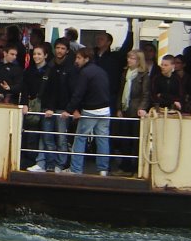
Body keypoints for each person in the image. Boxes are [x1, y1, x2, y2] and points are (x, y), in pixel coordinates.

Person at [62, 48, 111, 176]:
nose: (76, 61)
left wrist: (69, 110)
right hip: (105, 109)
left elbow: (78, 93)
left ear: (86, 59)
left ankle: (76, 169)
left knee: (80, 138)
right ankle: (103, 169)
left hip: (91, 110)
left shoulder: (84, 73)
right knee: (103, 139)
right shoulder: (102, 71)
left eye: (78, 58)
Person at [36, 37, 77, 172]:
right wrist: (48, 106)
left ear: (67, 51)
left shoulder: (71, 68)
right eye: (58, 48)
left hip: (63, 109)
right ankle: (50, 164)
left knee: (61, 138)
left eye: (62, 48)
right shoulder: (50, 65)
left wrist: (70, 109)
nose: (59, 51)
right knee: (47, 137)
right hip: (48, 107)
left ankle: (60, 164)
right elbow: (47, 88)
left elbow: (73, 90)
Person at [114, 49, 149, 174]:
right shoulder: (125, 73)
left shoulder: (143, 74)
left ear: (139, 61)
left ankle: (135, 166)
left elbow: (145, 93)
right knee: (124, 138)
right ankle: (124, 165)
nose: (129, 60)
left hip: (135, 109)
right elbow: (120, 91)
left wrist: (142, 108)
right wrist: (119, 108)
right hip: (125, 108)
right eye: (128, 58)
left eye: (132, 58)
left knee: (135, 139)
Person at [20, 44, 50, 169]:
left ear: (45, 55)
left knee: (46, 136)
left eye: (39, 54)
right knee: (30, 134)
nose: (36, 56)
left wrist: (50, 107)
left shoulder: (50, 70)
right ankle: (29, 161)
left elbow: (53, 92)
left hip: (46, 107)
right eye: (35, 54)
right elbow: (25, 89)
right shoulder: (29, 70)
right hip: (32, 106)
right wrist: (25, 104)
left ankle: (44, 163)